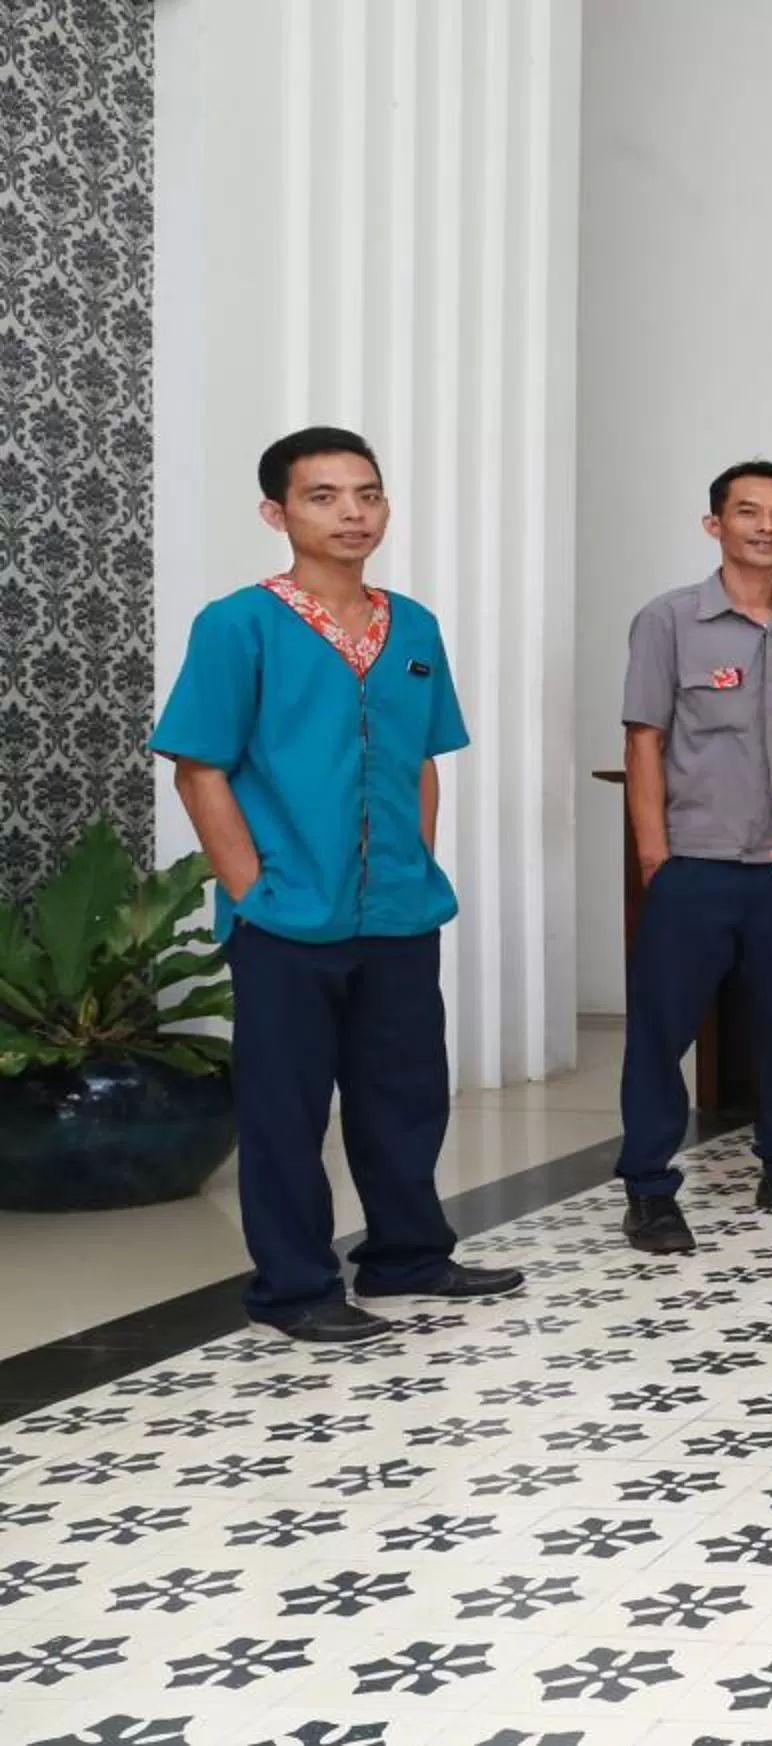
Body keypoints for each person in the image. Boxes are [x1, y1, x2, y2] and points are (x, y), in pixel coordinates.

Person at [151, 427, 525, 1343]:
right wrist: (254, 888)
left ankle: (408, 1254)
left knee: (407, 1091)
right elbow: (198, 768)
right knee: (286, 1109)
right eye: (324, 496)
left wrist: (415, 863)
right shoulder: (238, 625)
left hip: (398, 908)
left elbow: (424, 762)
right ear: (277, 513)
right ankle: (295, 1287)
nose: (352, 512)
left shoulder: (416, 626)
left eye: (366, 493)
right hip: (287, 915)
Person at [612, 461, 772, 1255]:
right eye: (748, 513)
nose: (766, 527)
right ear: (714, 524)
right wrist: (657, 856)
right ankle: (648, 1189)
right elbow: (643, 740)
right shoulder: (668, 620)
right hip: (697, 863)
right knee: (662, 1031)